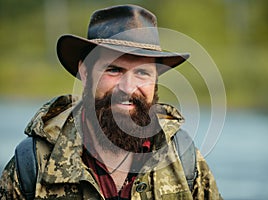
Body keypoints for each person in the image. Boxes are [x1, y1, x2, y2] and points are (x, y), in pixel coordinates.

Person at [0, 4, 222, 200]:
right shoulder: (33, 163)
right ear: (85, 72)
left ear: (155, 80)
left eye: (142, 73)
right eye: (114, 70)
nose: (127, 87)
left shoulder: (185, 159)